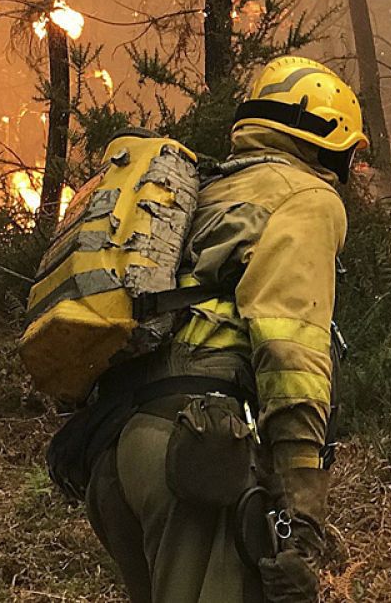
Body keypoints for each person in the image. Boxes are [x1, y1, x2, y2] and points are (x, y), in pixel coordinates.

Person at [82, 56, 367, 603]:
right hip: (196, 454)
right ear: (330, 144)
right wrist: (303, 508)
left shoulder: (208, 189)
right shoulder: (306, 198)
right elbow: (291, 350)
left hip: (120, 448)